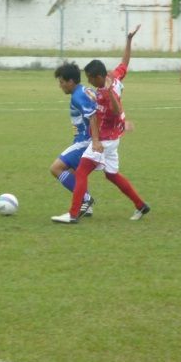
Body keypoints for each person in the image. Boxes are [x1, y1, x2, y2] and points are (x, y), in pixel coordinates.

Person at [52, 25, 149, 223]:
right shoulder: (114, 76)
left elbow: (111, 110)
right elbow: (125, 62)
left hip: (104, 139)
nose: (88, 82)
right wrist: (129, 41)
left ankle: (73, 215)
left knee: (81, 172)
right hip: (114, 137)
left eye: (89, 79)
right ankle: (141, 205)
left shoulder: (105, 93)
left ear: (98, 77)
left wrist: (96, 139)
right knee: (112, 175)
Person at [50, 62, 97, 217]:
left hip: (85, 141)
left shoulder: (78, 96)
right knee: (73, 172)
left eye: (62, 82)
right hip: (84, 139)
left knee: (56, 168)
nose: (60, 86)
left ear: (71, 82)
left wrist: (95, 140)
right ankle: (86, 206)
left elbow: (92, 116)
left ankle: (86, 198)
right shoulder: (86, 90)